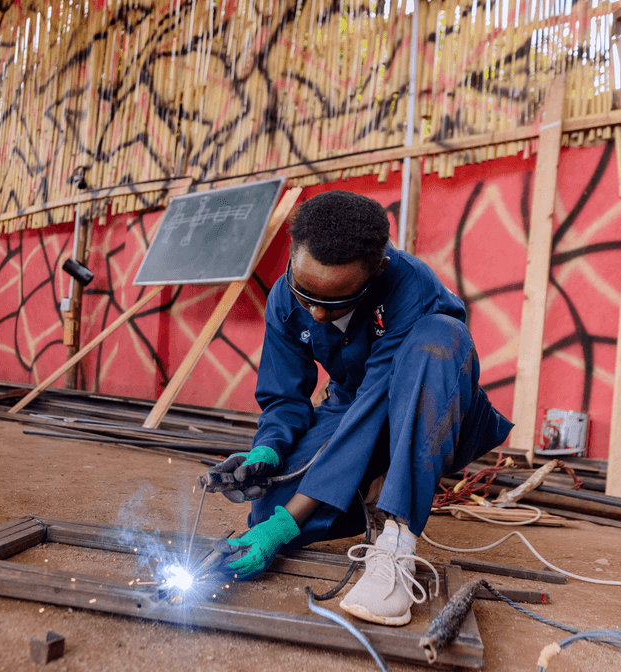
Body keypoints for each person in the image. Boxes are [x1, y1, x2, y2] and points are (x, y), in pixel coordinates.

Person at [205, 190, 513, 626]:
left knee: (440, 338)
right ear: (294, 259)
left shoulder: (410, 286)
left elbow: (373, 407)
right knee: (269, 507)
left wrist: (282, 528)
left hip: (429, 407)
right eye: (303, 293)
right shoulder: (284, 297)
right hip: (353, 407)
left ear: (375, 274)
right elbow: (284, 395)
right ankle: (376, 488)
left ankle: (398, 541)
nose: (313, 313)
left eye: (331, 304)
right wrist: (268, 451)